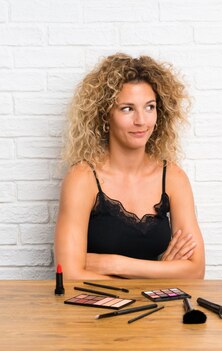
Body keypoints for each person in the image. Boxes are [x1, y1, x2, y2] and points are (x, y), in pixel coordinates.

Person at [54, 53, 205, 280]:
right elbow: (68, 275)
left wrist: (114, 264)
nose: (141, 121)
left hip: (157, 311)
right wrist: (161, 271)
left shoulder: (173, 177)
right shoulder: (83, 178)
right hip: (94, 311)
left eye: (149, 107)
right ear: (105, 115)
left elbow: (195, 271)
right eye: (127, 109)